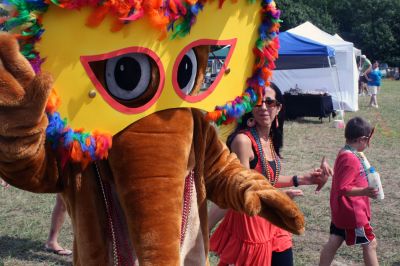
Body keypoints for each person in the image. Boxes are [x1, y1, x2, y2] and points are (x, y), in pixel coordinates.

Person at [209, 83, 332, 266]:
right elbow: (244, 191)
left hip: (273, 217)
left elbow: (266, 178)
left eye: (269, 102)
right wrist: (279, 197)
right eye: (258, 102)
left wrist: (302, 179)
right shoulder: (243, 141)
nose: (264, 107)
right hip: (252, 222)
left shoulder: (269, 138)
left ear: (279, 107)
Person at [319, 117, 378, 266]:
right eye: (368, 140)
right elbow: (343, 188)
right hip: (353, 213)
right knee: (370, 244)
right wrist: (365, 191)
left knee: (334, 241)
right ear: (362, 139)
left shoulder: (346, 152)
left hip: (343, 210)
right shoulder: (350, 158)